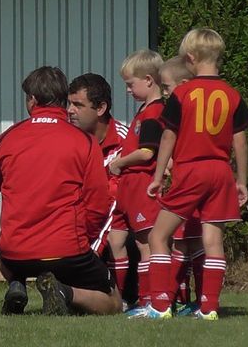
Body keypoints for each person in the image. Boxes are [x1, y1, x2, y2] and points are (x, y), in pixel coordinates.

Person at [0, 66, 120, 316]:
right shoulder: (84, 141)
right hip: (67, 250)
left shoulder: (9, 137)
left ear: (31, 99)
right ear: (63, 99)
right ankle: (64, 291)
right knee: (114, 302)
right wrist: (82, 238)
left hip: (14, 254)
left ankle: (17, 283)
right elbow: (98, 202)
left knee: (4, 255)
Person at [143, 28, 248, 320]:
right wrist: (241, 180)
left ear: (190, 58)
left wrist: (158, 175)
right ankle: (210, 308)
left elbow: (168, 136)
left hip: (191, 169)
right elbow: (240, 140)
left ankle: (160, 305)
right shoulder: (232, 94)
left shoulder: (182, 93)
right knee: (213, 242)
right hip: (221, 171)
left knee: (158, 236)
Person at [67, 73, 136, 309]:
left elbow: (116, 202)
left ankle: (125, 296)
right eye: (69, 103)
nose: (70, 110)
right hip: (79, 232)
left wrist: (90, 249)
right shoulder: (67, 141)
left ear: (101, 108)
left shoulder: (128, 144)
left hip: (115, 234)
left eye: (77, 104)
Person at [107, 49, 165, 317]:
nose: (128, 90)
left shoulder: (155, 113)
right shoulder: (144, 111)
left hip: (141, 184)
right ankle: (121, 299)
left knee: (145, 244)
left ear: (150, 80)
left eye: (131, 84)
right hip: (127, 189)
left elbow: (147, 152)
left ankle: (148, 300)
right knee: (115, 240)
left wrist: (119, 162)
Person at [160, 55, 204, 315]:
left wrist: (169, 163)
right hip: (185, 179)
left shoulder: (186, 109)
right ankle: (186, 299)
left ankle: (175, 300)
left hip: (190, 182)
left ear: (185, 83)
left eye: (167, 87)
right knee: (184, 241)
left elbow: (176, 139)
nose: (165, 93)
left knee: (189, 242)